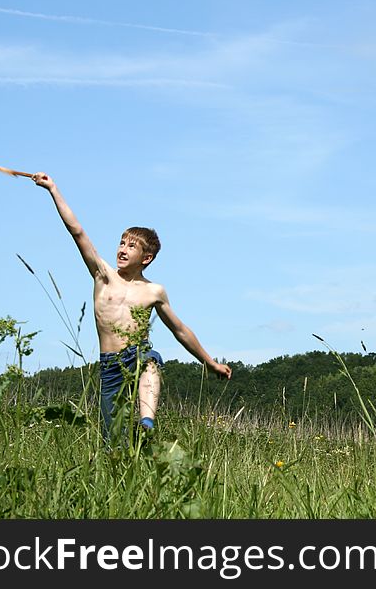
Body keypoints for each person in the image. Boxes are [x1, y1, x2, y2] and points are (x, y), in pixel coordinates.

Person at [31, 172, 231, 440]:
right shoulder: (103, 276)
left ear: (146, 258)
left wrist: (209, 362)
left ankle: (147, 422)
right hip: (109, 365)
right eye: (121, 243)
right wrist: (52, 189)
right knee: (113, 439)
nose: (122, 250)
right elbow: (77, 231)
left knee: (150, 361)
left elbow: (180, 330)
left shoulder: (153, 291)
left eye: (131, 247)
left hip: (135, 355)